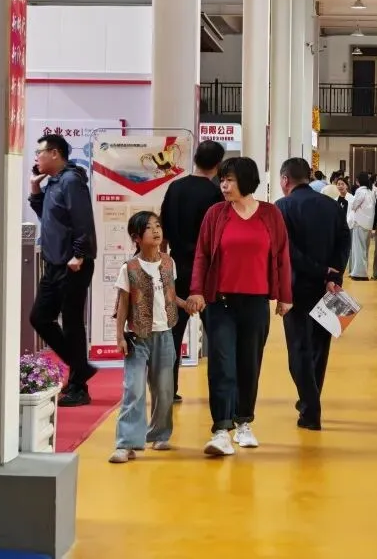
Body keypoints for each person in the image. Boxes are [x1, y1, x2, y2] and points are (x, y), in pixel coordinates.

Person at [189, 157, 293, 457]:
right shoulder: (215, 214)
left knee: (249, 363)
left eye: (230, 180)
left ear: (246, 181)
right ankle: (221, 429)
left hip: (256, 302)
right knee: (222, 364)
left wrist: (285, 296)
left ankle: (244, 422)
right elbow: (202, 255)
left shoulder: (271, 214)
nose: (224, 185)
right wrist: (196, 290)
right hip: (220, 302)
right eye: (222, 180)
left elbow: (282, 256)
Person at [276, 158, 351, 430]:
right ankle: (311, 399)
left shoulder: (282, 207)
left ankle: (310, 408)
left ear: (285, 180)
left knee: (299, 348)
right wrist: (333, 275)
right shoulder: (332, 206)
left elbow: (287, 250)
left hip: (295, 287)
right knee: (320, 346)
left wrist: (318, 270)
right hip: (328, 288)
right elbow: (344, 242)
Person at [28, 133, 99, 407]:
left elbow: (83, 222)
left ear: (55, 153)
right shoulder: (55, 182)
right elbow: (46, 216)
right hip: (54, 262)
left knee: (71, 322)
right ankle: (80, 367)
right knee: (40, 317)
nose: (37, 157)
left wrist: (79, 254)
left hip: (72, 263)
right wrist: (35, 188)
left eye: (40, 152)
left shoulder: (71, 181)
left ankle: (79, 386)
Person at [109, 212, 184, 464]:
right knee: (134, 389)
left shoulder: (169, 263)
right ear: (136, 237)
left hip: (165, 334)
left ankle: (160, 434)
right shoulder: (129, 268)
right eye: (149, 228)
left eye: (158, 226)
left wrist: (187, 304)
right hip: (137, 336)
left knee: (165, 389)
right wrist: (119, 336)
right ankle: (126, 443)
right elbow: (122, 305)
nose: (156, 231)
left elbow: (170, 296)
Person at [159, 139, 225, 402]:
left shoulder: (175, 187)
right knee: (217, 334)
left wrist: (163, 263)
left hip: (177, 267)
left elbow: (162, 229)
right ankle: (219, 394)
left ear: (195, 158)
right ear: (218, 164)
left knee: (172, 332)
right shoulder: (215, 194)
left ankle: (168, 391)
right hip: (207, 271)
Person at [347, 172, 376, 280]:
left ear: (358, 181)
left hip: (359, 223)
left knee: (358, 249)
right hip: (368, 224)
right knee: (365, 249)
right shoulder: (370, 191)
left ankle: (359, 273)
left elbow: (354, 205)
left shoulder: (360, 191)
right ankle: (363, 271)